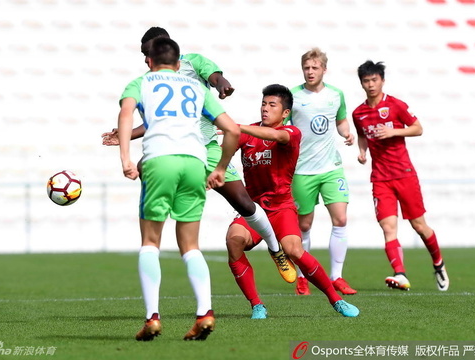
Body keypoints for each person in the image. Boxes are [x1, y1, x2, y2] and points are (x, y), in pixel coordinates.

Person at [102, 27, 296, 284]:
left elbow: (215, 77)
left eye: (147, 53)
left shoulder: (193, 64)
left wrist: (222, 84)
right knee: (144, 166)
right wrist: (126, 136)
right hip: (178, 150)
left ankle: (275, 250)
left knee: (244, 204)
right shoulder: (149, 83)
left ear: (161, 50)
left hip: (207, 147)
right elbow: (154, 122)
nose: (145, 60)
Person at [117, 37, 240, 341]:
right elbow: (233, 130)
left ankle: (152, 319)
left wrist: (126, 159)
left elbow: (126, 114)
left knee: (150, 241)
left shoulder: (141, 82)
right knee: (190, 245)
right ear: (177, 63)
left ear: (150, 61)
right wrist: (221, 168)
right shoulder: (196, 87)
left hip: (160, 159)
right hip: (195, 162)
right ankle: (205, 313)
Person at [226, 84, 360, 319]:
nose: (265, 109)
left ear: (285, 113)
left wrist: (234, 127)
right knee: (233, 242)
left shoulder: (292, 133)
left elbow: (277, 135)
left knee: (295, 250)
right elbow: (222, 151)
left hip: (281, 207)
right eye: (263, 104)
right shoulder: (246, 132)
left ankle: (335, 300)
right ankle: (257, 305)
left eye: (272, 105)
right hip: (253, 208)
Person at [351, 60, 449, 292]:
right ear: (362, 84)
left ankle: (438, 263)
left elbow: (418, 128)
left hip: (404, 174)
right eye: (367, 81)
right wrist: (362, 151)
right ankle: (400, 274)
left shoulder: (395, 105)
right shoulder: (359, 113)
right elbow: (362, 135)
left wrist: (394, 131)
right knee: (388, 228)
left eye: (375, 80)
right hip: (380, 178)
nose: (371, 84)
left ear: (382, 80)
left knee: (419, 226)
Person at [287, 48, 357, 296]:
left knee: (340, 219)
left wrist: (347, 133)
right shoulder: (293, 96)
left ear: (323, 69)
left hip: (331, 168)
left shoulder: (336, 95)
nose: (310, 72)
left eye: (315, 68)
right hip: (302, 171)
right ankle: (303, 277)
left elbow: (340, 120)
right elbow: (284, 128)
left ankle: (336, 276)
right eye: (306, 68)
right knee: (304, 226)